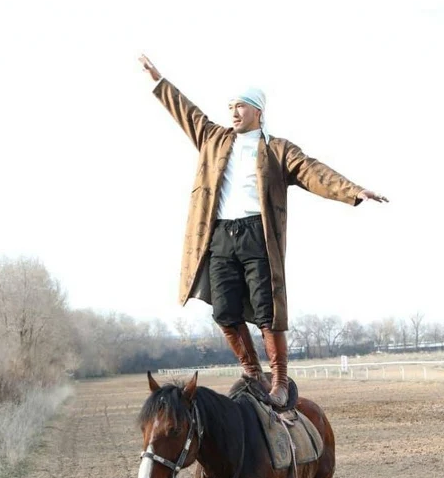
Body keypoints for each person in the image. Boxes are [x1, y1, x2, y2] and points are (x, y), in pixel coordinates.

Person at [138, 54, 388, 408]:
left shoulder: (277, 149)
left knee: (267, 312)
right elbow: (186, 112)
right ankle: (251, 371)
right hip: (221, 236)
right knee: (224, 311)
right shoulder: (213, 139)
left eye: (241, 106)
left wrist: (353, 190)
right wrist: (159, 82)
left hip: (259, 236)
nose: (234, 112)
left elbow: (314, 171)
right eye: (230, 107)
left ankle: (280, 380)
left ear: (258, 111)